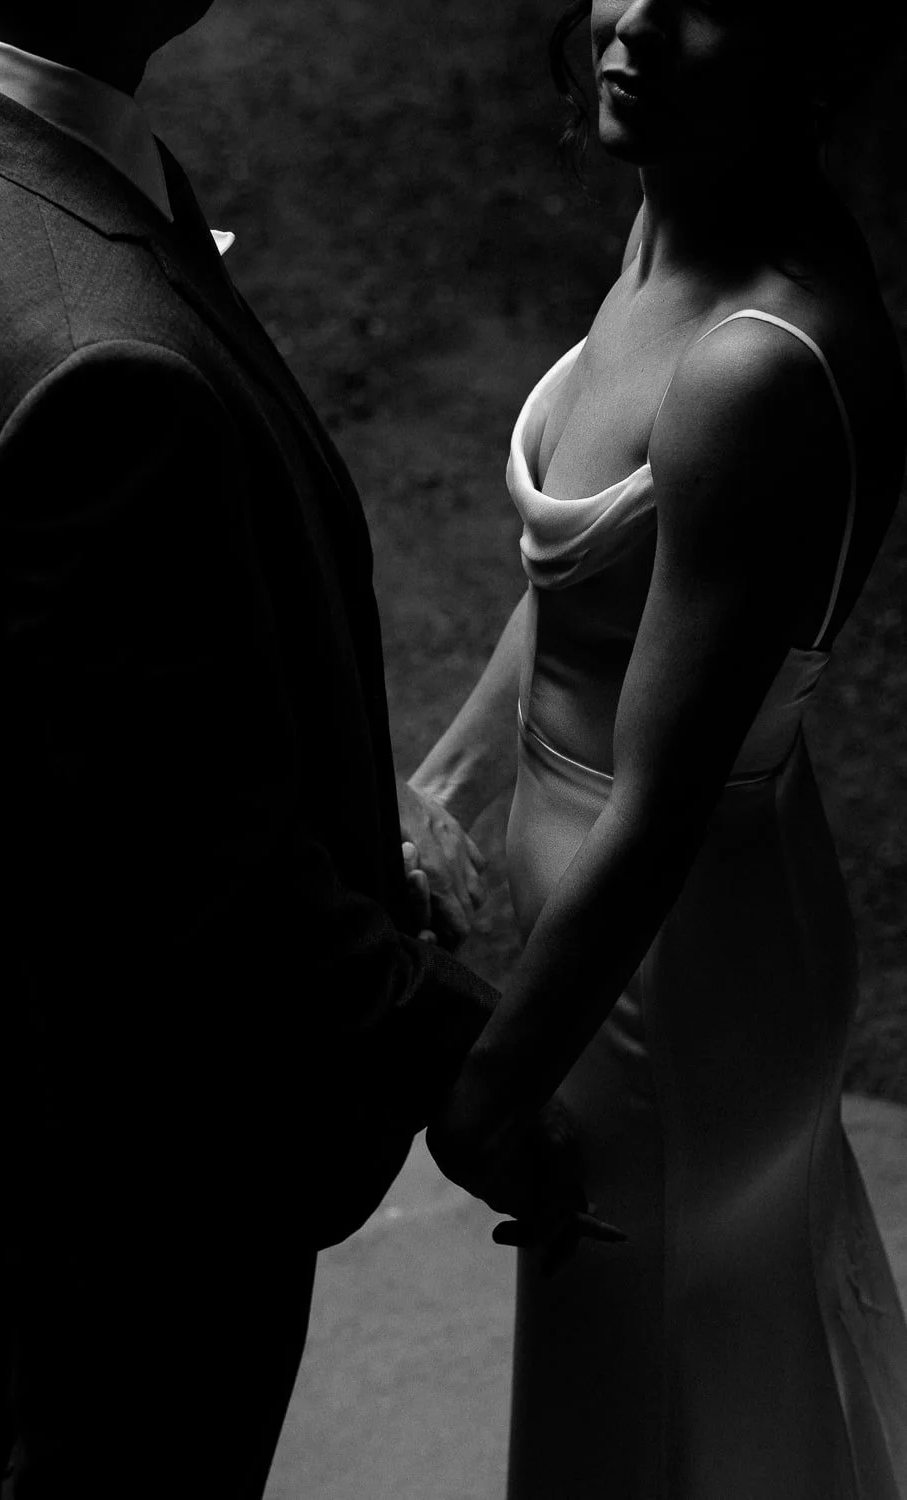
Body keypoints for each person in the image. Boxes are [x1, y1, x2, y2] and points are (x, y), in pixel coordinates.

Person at [0, 3, 546, 1494]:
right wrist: (473, 1054)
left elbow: (77, 703)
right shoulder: (103, 371)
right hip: (157, 1155)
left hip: (11, 1054)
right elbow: (213, 885)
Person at [411, 1, 907, 1494]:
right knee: (652, 1375)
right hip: (621, 934)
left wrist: (483, 1094)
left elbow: (660, 807)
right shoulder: (672, 214)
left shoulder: (753, 369)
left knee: (649, 1404)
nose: (630, 18)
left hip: (673, 967)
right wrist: (444, 790)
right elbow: (591, 594)